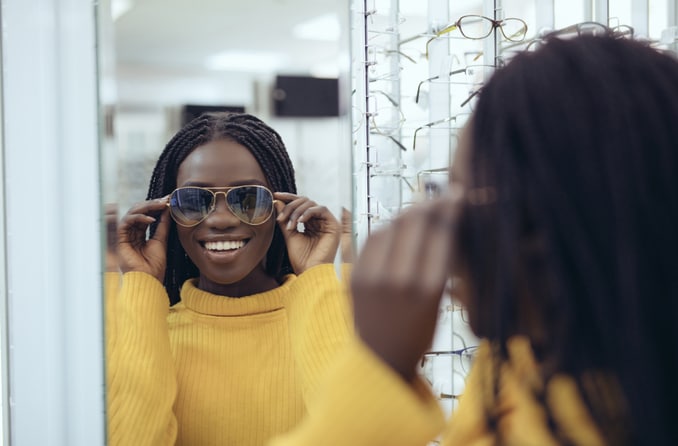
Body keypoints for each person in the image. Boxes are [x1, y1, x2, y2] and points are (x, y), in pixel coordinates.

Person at [268, 34, 678, 446]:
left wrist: (379, 364)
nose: (448, 239)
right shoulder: (521, 366)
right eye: (441, 197)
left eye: (465, 203)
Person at [105, 112, 353, 445]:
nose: (221, 220)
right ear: (167, 215)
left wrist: (316, 276)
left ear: (280, 207)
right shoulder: (146, 331)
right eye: (194, 201)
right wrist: (141, 283)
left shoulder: (340, 321)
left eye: (248, 198)